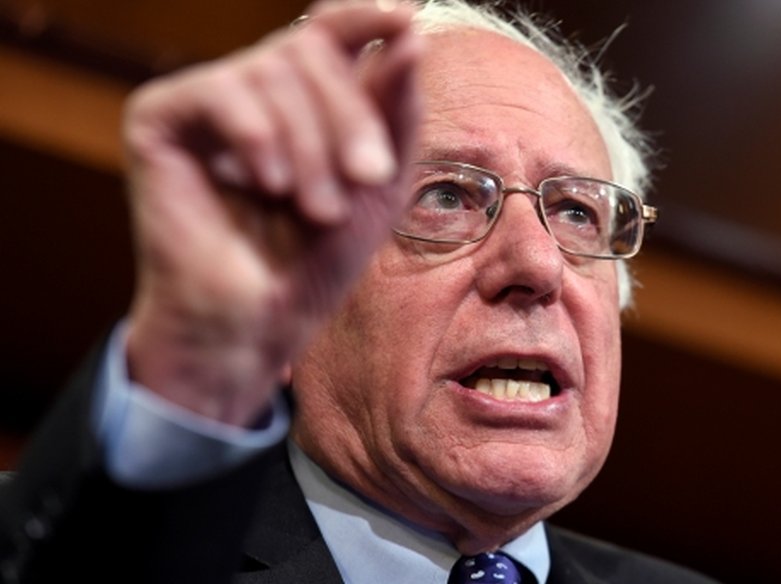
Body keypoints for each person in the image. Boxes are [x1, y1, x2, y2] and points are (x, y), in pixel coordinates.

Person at [0, 0, 718, 582]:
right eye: (446, 196)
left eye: (575, 212)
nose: (537, 264)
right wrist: (198, 376)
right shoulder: (96, 552)